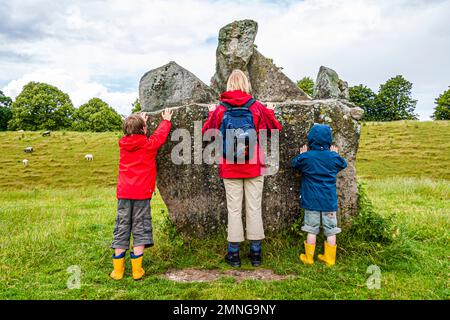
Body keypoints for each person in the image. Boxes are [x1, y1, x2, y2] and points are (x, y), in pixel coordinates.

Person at [202, 69, 282, 267]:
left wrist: (212, 114)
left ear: (229, 85)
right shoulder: (256, 107)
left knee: (234, 210)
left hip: (230, 167)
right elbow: (274, 130)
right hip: (254, 166)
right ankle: (256, 254)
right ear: (246, 84)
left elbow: (207, 134)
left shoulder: (221, 109)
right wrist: (270, 111)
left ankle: (234, 255)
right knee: (254, 208)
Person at [110, 108, 173, 280]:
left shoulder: (123, 145)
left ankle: (118, 271)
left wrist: (139, 121)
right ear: (144, 129)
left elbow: (137, 135)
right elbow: (159, 137)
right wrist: (166, 120)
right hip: (142, 194)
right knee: (140, 228)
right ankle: (137, 271)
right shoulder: (147, 145)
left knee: (122, 227)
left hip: (124, 193)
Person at [291, 124, 347, 266]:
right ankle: (330, 259)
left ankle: (309, 258)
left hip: (311, 201)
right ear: (329, 140)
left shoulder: (307, 157)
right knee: (331, 230)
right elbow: (343, 163)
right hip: (329, 201)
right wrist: (334, 154)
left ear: (311, 140)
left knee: (311, 229)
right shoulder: (333, 158)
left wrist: (303, 155)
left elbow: (294, 163)